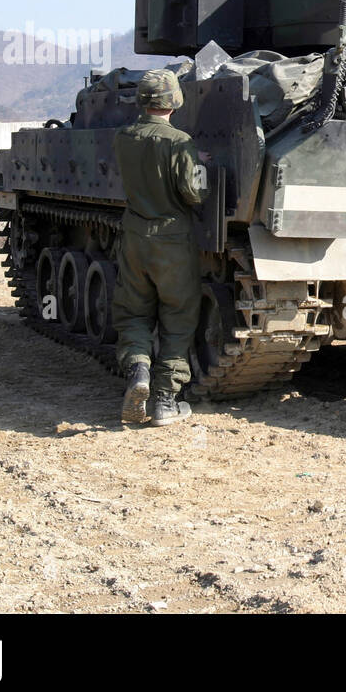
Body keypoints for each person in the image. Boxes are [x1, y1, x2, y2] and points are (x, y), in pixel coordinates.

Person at [112, 69, 207, 426]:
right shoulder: (179, 141)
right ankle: (166, 400)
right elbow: (194, 192)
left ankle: (138, 370)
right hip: (171, 238)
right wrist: (203, 170)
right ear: (174, 100)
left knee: (134, 311)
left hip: (135, 235)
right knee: (178, 315)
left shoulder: (124, 136)